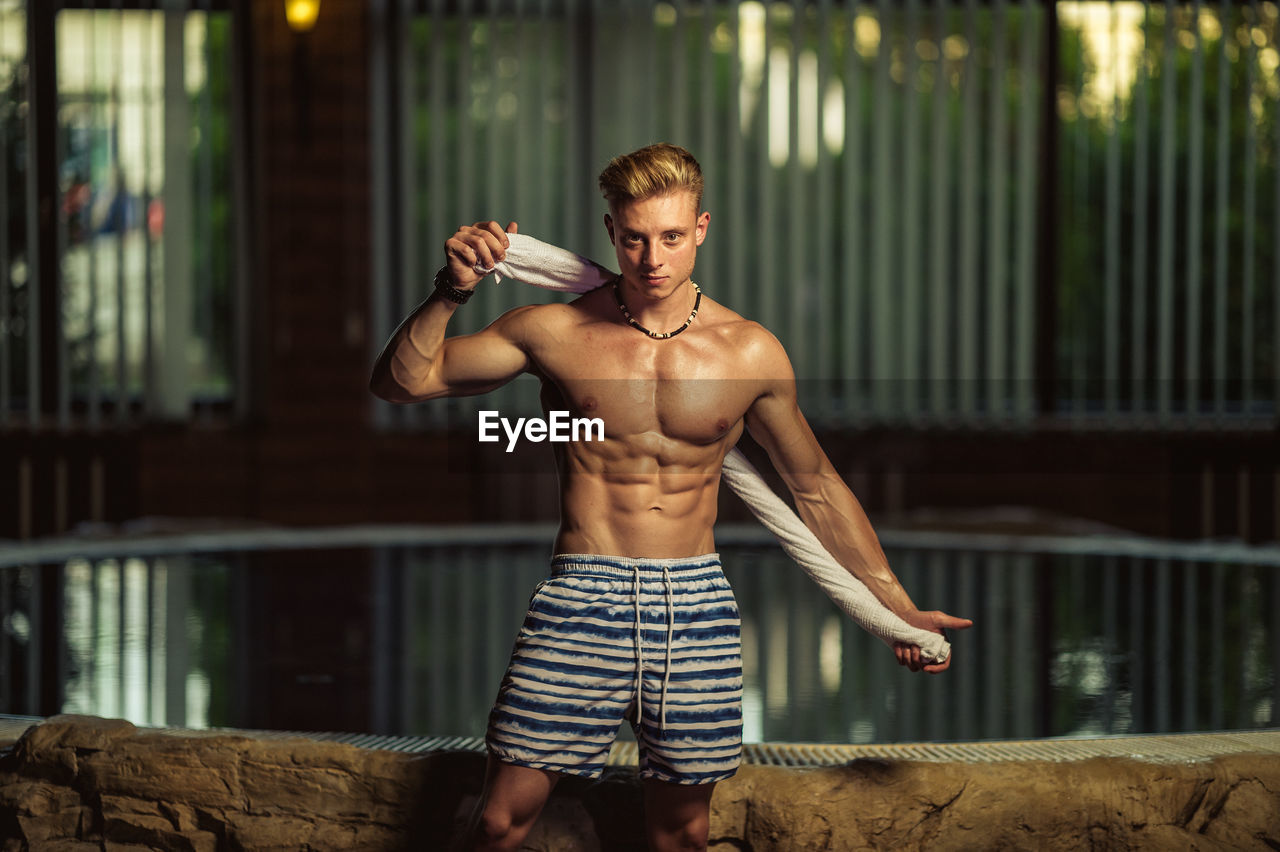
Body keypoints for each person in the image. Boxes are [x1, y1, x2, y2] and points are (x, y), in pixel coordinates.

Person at [369, 143, 971, 852]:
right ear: (611, 232)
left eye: (672, 237)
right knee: (499, 821)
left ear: (702, 228)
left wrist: (893, 606)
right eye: (634, 239)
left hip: (696, 605)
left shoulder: (749, 354)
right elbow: (401, 383)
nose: (653, 258)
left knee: (681, 833)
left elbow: (814, 487)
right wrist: (453, 289)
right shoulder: (554, 330)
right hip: (582, 596)